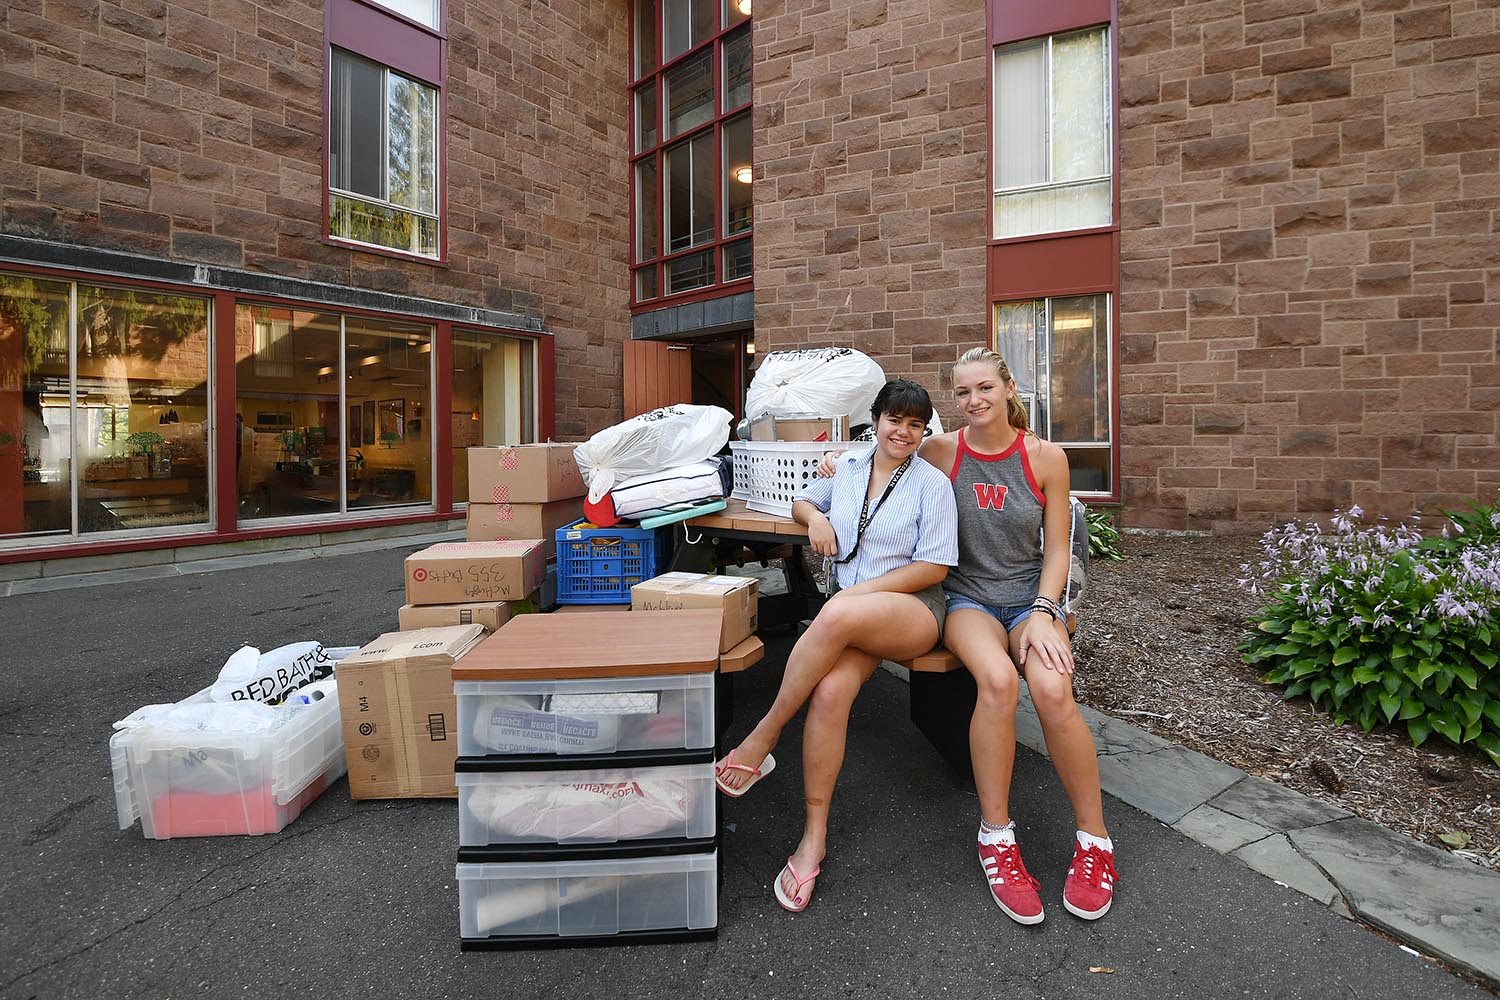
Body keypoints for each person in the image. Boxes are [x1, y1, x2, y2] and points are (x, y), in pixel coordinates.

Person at [815, 347, 1116, 924]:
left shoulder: (1045, 458)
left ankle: (1095, 842)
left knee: (1054, 692)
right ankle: (997, 837)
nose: (973, 401)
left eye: (984, 388)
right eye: (962, 393)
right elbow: (881, 448)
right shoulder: (941, 448)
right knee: (998, 682)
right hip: (967, 601)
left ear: (1007, 388)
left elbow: (1057, 549)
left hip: (1031, 601)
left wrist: (1049, 611)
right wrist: (834, 464)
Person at [715, 379, 958, 912]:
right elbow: (801, 501)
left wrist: (857, 593)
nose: (905, 432)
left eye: (916, 424)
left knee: (839, 609)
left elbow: (934, 567)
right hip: (851, 617)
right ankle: (812, 840)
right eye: (896, 420)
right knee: (828, 697)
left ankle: (762, 738)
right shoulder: (847, 467)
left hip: (911, 610)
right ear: (876, 420)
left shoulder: (931, 484)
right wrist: (818, 517)